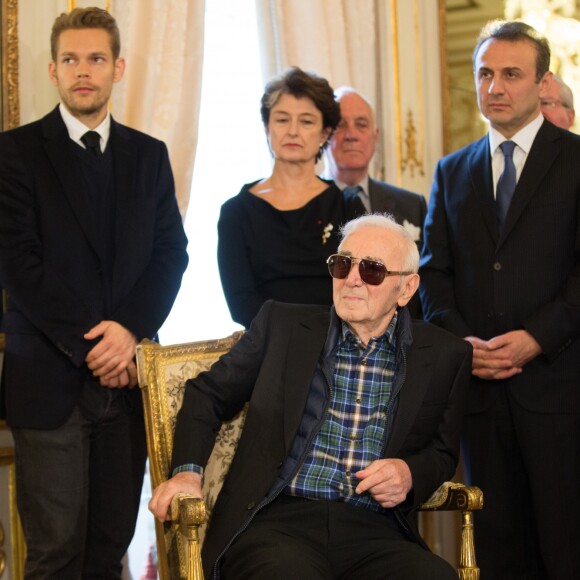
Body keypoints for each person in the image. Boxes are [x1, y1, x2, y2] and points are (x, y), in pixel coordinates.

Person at [150, 214, 472, 580]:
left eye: (372, 270)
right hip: (277, 522)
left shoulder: (446, 355)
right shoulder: (282, 326)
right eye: (342, 264)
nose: (352, 279)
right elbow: (205, 395)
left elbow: (443, 453)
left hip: (375, 531)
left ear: (406, 289)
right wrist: (187, 475)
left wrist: (409, 473)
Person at [0, 7, 188, 578]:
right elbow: (18, 263)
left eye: (97, 59)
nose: (84, 71)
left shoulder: (149, 155)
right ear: (53, 70)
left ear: (118, 68)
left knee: (109, 552)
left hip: (128, 386)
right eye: (72, 60)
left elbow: (169, 255)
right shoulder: (14, 153)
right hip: (49, 384)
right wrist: (94, 345)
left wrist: (128, 334)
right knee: (55, 554)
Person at [420, 20, 580, 579]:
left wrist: (538, 337)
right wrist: (462, 343)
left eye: (511, 74)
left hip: (560, 391)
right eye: (485, 73)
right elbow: (432, 274)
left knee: (565, 546)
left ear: (541, 83)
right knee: (497, 550)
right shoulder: (451, 170)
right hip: (480, 397)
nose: (496, 86)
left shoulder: (576, 160)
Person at [217, 67, 364, 329]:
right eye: (282, 120)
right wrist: (293, 334)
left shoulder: (346, 205)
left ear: (323, 134)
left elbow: (360, 287)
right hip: (267, 347)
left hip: (339, 344)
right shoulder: (236, 212)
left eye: (306, 121)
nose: (293, 131)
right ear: (266, 128)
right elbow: (240, 302)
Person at [325, 86, 426, 317]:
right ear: (325, 134)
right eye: (341, 125)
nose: (351, 134)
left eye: (361, 124)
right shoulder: (308, 206)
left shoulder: (412, 205)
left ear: (375, 135)